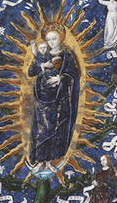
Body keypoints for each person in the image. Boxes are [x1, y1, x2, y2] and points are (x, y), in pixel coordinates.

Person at [27, 28, 82, 164]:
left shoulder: (66, 56)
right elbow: (31, 72)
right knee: (42, 128)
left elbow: (75, 75)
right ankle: (40, 159)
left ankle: (51, 159)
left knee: (55, 128)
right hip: (42, 99)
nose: (51, 42)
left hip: (59, 99)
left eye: (54, 39)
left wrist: (61, 79)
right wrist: (42, 66)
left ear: (61, 39)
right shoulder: (42, 54)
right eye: (49, 39)